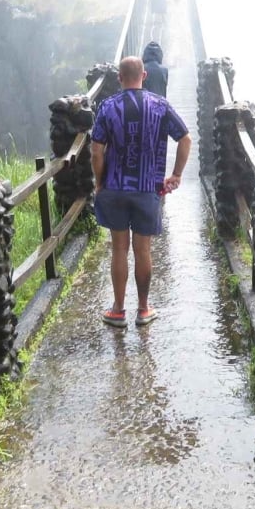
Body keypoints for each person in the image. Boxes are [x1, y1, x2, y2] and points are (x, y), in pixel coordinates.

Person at [91, 55, 192, 327]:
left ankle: (118, 310)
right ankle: (144, 310)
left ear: (119, 78)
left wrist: (99, 183)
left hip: (115, 187)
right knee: (143, 250)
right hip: (148, 189)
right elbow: (185, 138)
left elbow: (96, 151)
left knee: (119, 249)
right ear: (144, 76)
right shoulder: (160, 105)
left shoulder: (107, 106)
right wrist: (176, 175)